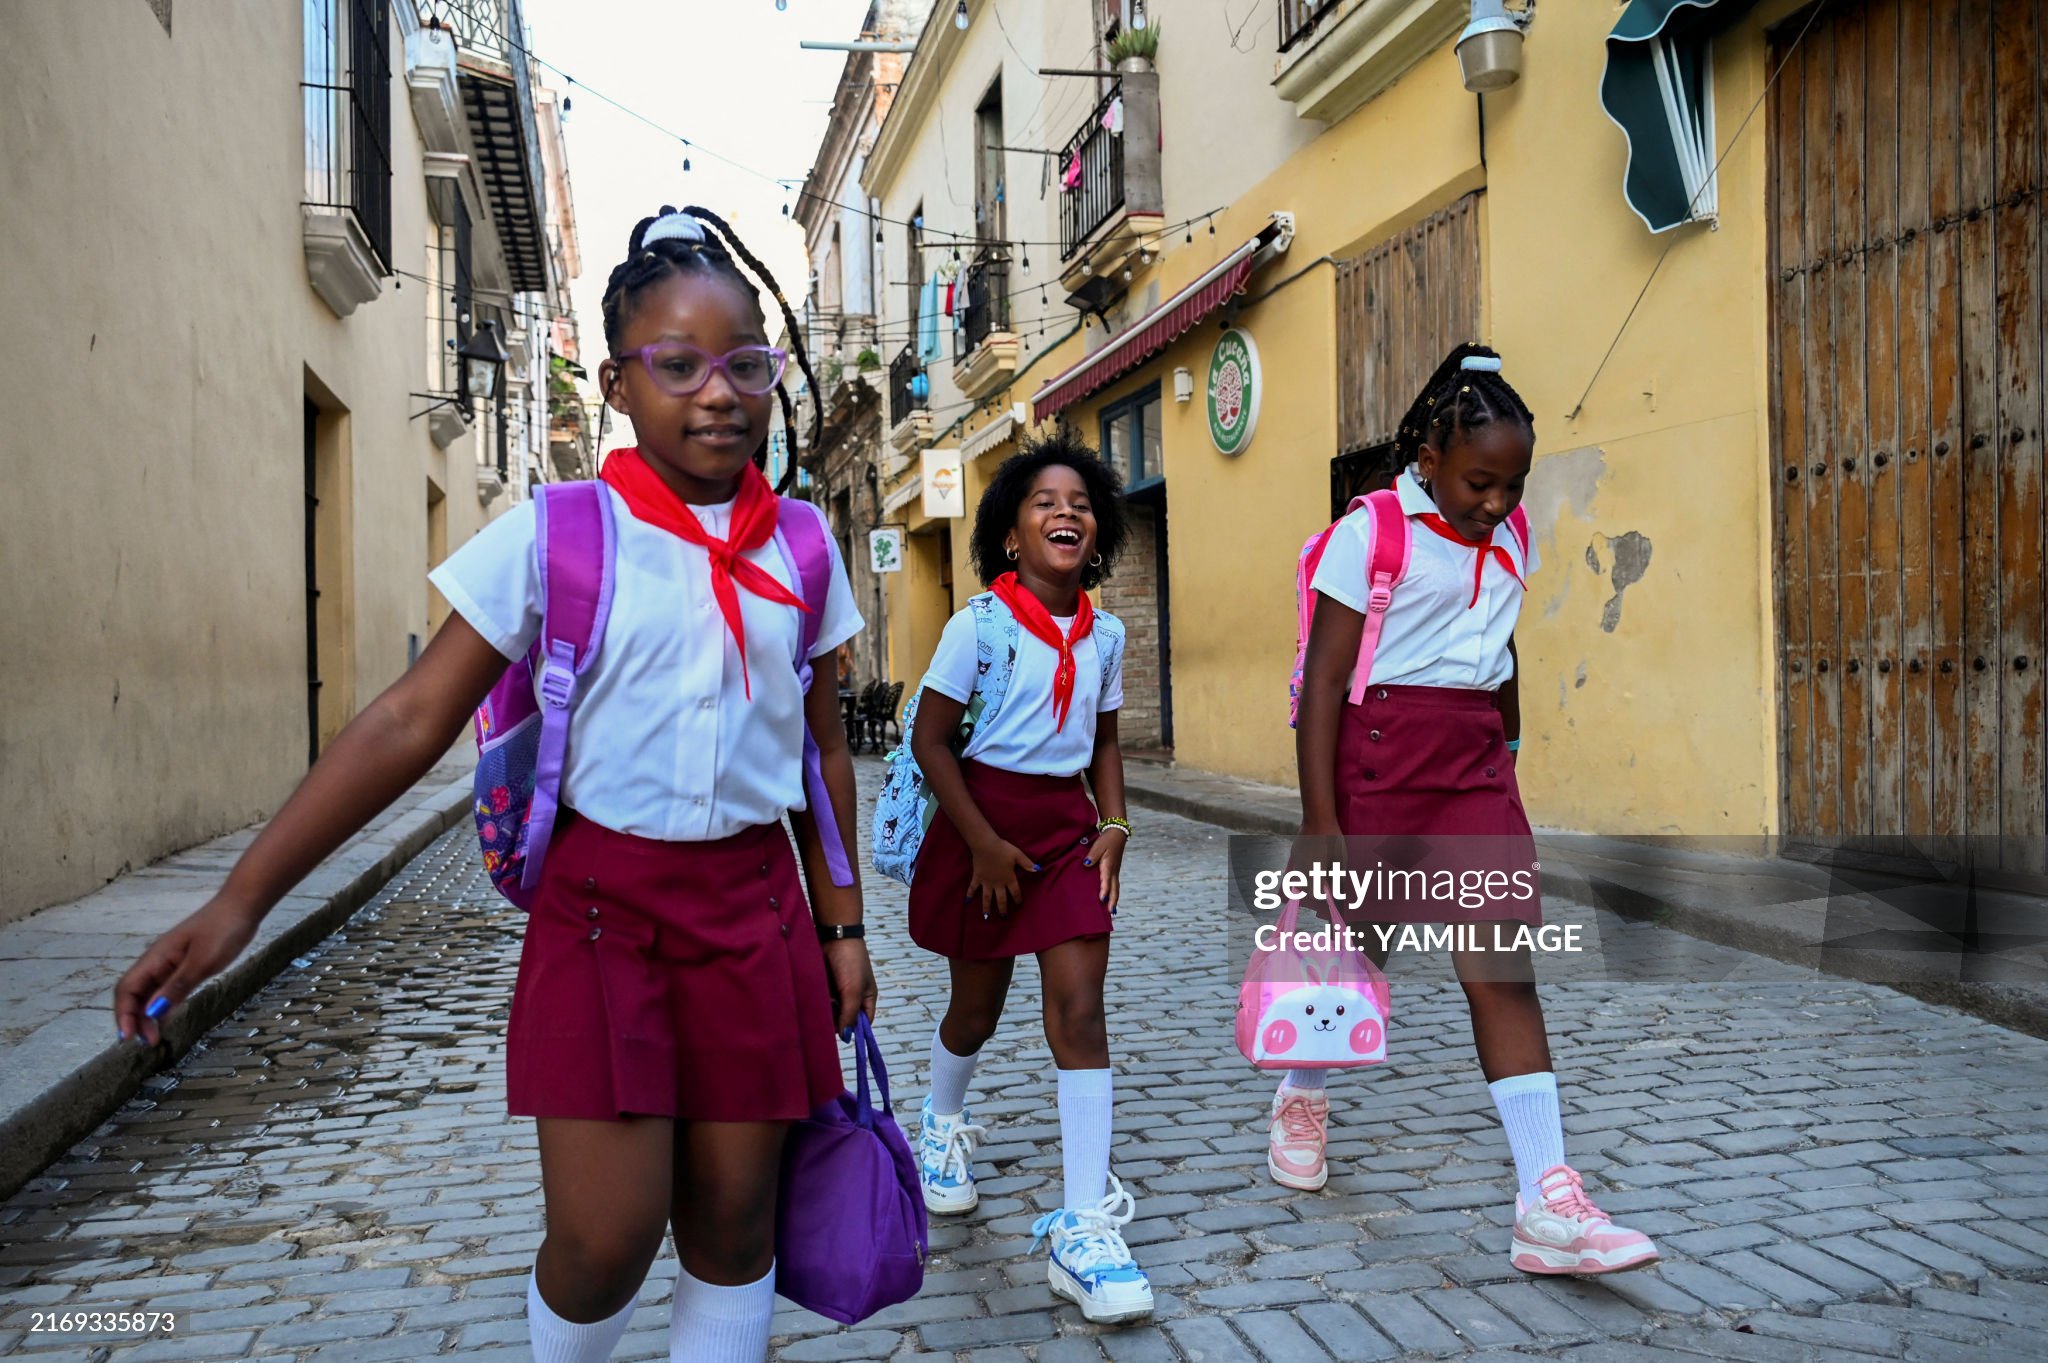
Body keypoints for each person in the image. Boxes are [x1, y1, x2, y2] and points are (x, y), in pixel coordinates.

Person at [113, 206, 875, 1363]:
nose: (716, 393)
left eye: (743, 365)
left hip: (756, 910)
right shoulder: (558, 534)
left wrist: (842, 923)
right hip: (603, 910)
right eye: (677, 365)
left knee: (732, 1223)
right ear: (619, 383)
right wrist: (239, 901)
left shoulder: (804, 550)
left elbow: (823, 752)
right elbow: (411, 717)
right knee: (604, 1239)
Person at [1280, 343, 1659, 1277]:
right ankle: (1303, 1086)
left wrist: (1510, 751)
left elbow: (1503, 643)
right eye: (1480, 482)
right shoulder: (1370, 531)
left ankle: (1547, 1201)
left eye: (1513, 483)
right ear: (1431, 459)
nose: (1496, 502)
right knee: (1356, 947)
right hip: (1377, 758)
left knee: (1502, 965)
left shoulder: (1514, 534)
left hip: (1474, 762)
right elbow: (1324, 679)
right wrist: (1321, 821)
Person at [901, 436, 1152, 1324]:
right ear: (1012, 533)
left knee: (1081, 1008)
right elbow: (932, 739)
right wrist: (980, 842)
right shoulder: (981, 625)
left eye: (1081, 502)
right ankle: (940, 1121)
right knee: (977, 1007)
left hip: (1069, 834)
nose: (1066, 512)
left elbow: (1109, 743)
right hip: (984, 829)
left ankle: (1084, 1223)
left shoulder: (1109, 633)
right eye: (1045, 500)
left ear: (1099, 530)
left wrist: (1115, 824)